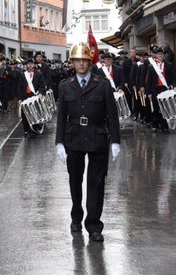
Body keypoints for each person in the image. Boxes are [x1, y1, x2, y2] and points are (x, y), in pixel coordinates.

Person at [55, 42, 120, 242]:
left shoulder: (103, 84)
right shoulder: (65, 85)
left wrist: (115, 141)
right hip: (73, 138)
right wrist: (59, 142)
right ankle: (76, 217)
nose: (81, 64)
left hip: (97, 136)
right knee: (75, 181)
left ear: (90, 62)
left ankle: (94, 225)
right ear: (72, 63)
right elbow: (61, 115)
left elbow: (112, 115)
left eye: (84, 60)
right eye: (77, 60)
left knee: (96, 183)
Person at [144, 46, 176, 133]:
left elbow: (173, 78)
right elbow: (148, 81)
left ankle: (164, 126)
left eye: (162, 54)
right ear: (155, 55)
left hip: (165, 89)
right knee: (155, 108)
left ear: (164, 55)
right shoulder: (151, 66)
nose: (160, 55)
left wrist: (175, 86)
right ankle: (155, 124)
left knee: (164, 108)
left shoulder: (169, 65)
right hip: (155, 89)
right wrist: (148, 92)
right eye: (159, 54)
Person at [17, 57, 46, 138]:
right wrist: (19, 98)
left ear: (34, 65)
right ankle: (26, 130)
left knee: (34, 113)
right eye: (28, 64)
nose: (30, 65)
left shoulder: (39, 74)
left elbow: (42, 86)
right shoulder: (23, 75)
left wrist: (40, 93)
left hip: (34, 96)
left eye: (32, 64)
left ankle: (33, 130)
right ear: (26, 65)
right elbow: (19, 87)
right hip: (25, 97)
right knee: (25, 114)